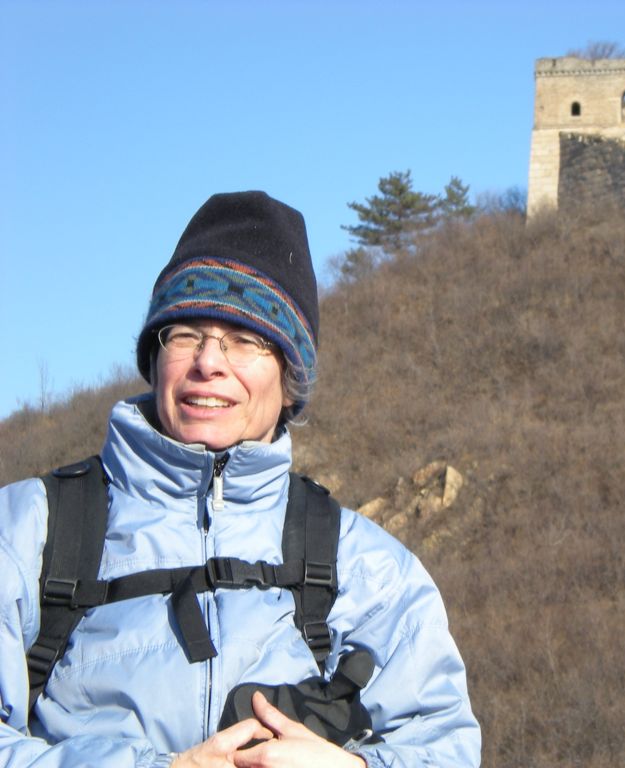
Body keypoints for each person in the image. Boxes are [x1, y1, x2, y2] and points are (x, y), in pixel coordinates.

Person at [0, 192, 481, 767]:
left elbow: (444, 746)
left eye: (245, 339)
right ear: (154, 360)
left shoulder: (368, 569)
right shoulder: (28, 533)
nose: (209, 362)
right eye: (184, 334)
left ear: (289, 378)